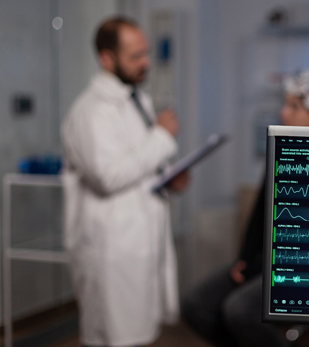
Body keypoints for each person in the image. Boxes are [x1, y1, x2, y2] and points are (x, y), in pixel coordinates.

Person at [182, 70, 309, 347]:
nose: (283, 113)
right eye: (285, 104)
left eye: (294, 107)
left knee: (240, 310)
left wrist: (257, 267)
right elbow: (260, 215)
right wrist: (244, 259)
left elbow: (306, 239)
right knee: (195, 304)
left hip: (300, 268)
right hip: (262, 261)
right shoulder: (282, 148)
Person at [62, 17, 189, 347]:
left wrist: (168, 177)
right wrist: (162, 136)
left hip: (141, 240)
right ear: (107, 58)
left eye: (145, 53)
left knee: (140, 333)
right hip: (111, 249)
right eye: (135, 56)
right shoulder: (90, 112)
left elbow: (139, 163)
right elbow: (109, 177)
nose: (146, 62)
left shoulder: (135, 100)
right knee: (113, 336)